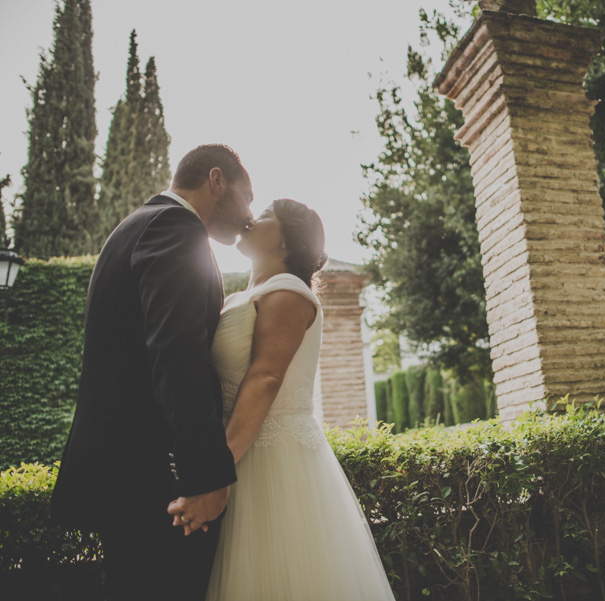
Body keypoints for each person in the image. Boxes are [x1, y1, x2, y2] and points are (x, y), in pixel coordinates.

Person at [50, 144, 255, 601]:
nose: (249, 214)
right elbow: (176, 354)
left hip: (124, 477)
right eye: (247, 196)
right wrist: (207, 478)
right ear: (216, 181)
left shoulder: (136, 225)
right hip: (150, 485)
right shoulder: (174, 228)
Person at [199, 199, 395, 600]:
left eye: (267, 215)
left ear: (286, 244)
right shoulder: (241, 296)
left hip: (273, 456)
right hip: (242, 447)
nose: (254, 217)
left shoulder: (289, 291)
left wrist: (217, 466)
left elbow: (267, 377)